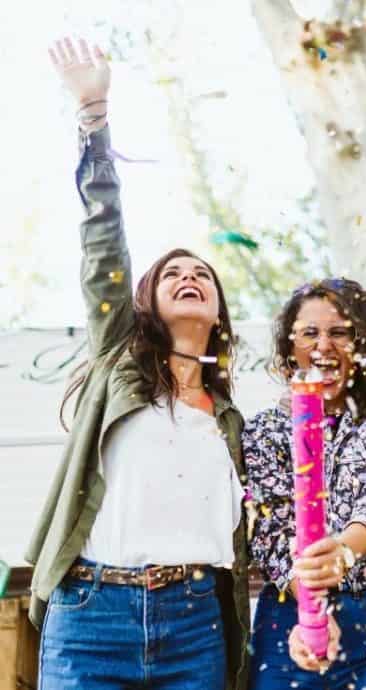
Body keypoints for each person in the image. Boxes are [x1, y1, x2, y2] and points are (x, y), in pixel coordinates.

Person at [26, 38, 249, 690]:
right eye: (172, 272)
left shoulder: (229, 419)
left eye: (201, 273)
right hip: (94, 616)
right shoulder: (118, 362)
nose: (188, 276)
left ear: (217, 309)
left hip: (195, 624)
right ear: (144, 300)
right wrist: (94, 115)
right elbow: (103, 243)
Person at [243, 278, 366, 690]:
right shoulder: (264, 430)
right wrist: (311, 610)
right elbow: (270, 529)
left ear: (362, 343)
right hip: (290, 618)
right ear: (289, 345)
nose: (324, 345)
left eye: (340, 332)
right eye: (309, 333)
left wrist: (348, 548)